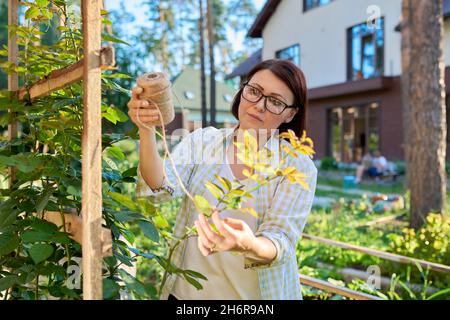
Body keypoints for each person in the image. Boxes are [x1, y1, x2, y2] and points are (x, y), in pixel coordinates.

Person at [127, 60, 318, 300]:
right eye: (254, 91)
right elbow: (160, 188)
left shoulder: (295, 166)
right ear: (242, 90)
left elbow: (281, 241)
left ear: (290, 113)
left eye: (276, 101)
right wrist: (146, 130)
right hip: (186, 295)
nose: (259, 105)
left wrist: (249, 244)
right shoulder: (203, 142)